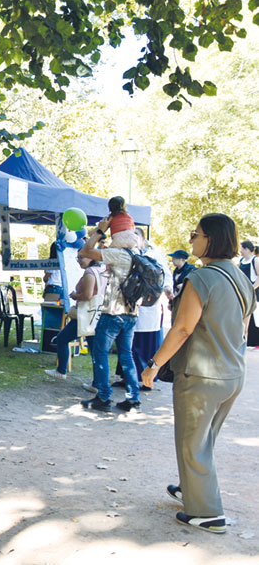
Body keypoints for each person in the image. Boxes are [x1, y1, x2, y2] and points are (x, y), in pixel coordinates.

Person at [141, 213, 254, 534]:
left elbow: (182, 329)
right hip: (232, 373)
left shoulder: (201, 278)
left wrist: (154, 365)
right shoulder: (241, 277)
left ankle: (207, 512)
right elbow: (242, 328)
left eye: (196, 234)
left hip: (202, 376)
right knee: (204, 440)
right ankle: (191, 487)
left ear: (212, 239)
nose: (191, 239)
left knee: (192, 443)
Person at [78, 212, 142, 412]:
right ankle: (132, 397)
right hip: (132, 313)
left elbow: (85, 252)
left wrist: (99, 231)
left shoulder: (117, 254)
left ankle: (103, 397)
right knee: (126, 355)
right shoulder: (138, 254)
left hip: (113, 313)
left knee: (100, 353)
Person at [112, 228, 173, 391]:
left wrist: (167, 289)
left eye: (136, 235)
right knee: (127, 343)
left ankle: (146, 380)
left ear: (143, 238)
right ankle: (127, 377)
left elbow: (165, 274)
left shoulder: (155, 255)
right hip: (129, 304)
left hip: (148, 305)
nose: (132, 238)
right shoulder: (128, 254)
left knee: (146, 342)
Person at [44, 254, 106, 380]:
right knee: (95, 350)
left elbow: (87, 295)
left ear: (91, 257)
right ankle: (99, 382)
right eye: (77, 257)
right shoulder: (102, 271)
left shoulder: (90, 272)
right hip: (96, 314)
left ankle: (61, 371)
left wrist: (75, 295)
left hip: (85, 315)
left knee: (62, 338)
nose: (79, 261)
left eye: (82, 257)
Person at [237, 241, 259, 347]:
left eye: (241, 248)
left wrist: (252, 288)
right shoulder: (241, 260)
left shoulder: (255, 260)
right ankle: (246, 342)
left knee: (254, 318)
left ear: (247, 249)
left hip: (254, 293)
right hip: (244, 292)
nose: (240, 251)